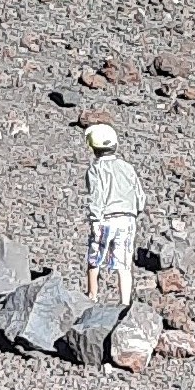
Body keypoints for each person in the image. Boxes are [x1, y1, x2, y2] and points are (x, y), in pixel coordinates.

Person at [83, 121, 145, 307]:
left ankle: (92, 296)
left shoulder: (95, 170)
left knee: (95, 258)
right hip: (127, 219)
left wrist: (95, 220)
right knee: (124, 264)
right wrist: (135, 211)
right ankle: (124, 303)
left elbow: (96, 197)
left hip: (105, 219)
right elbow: (140, 196)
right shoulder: (127, 167)